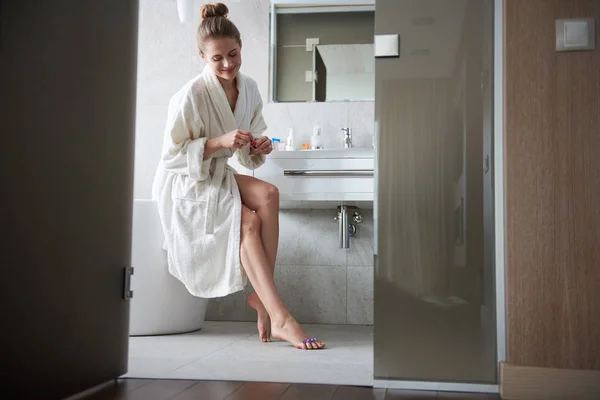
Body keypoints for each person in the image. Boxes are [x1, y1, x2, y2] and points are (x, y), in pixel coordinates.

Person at [152, 2, 325, 350]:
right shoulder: (191, 95)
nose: (228, 64)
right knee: (247, 223)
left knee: (270, 195)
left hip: (216, 173)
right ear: (202, 57)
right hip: (187, 183)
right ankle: (281, 317)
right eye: (217, 58)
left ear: (241, 47)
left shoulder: (249, 90)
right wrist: (218, 141)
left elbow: (246, 150)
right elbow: (170, 156)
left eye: (233, 54)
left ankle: (261, 298)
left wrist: (258, 146)